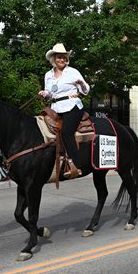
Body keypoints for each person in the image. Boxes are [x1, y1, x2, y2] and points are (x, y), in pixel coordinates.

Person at [38, 43, 90, 178]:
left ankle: (77, 165)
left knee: (66, 132)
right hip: (55, 107)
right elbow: (50, 93)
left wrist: (82, 84)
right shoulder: (48, 75)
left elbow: (85, 91)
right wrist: (45, 93)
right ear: (53, 59)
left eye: (64, 57)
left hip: (72, 105)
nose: (61, 60)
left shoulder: (73, 72)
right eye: (59, 57)